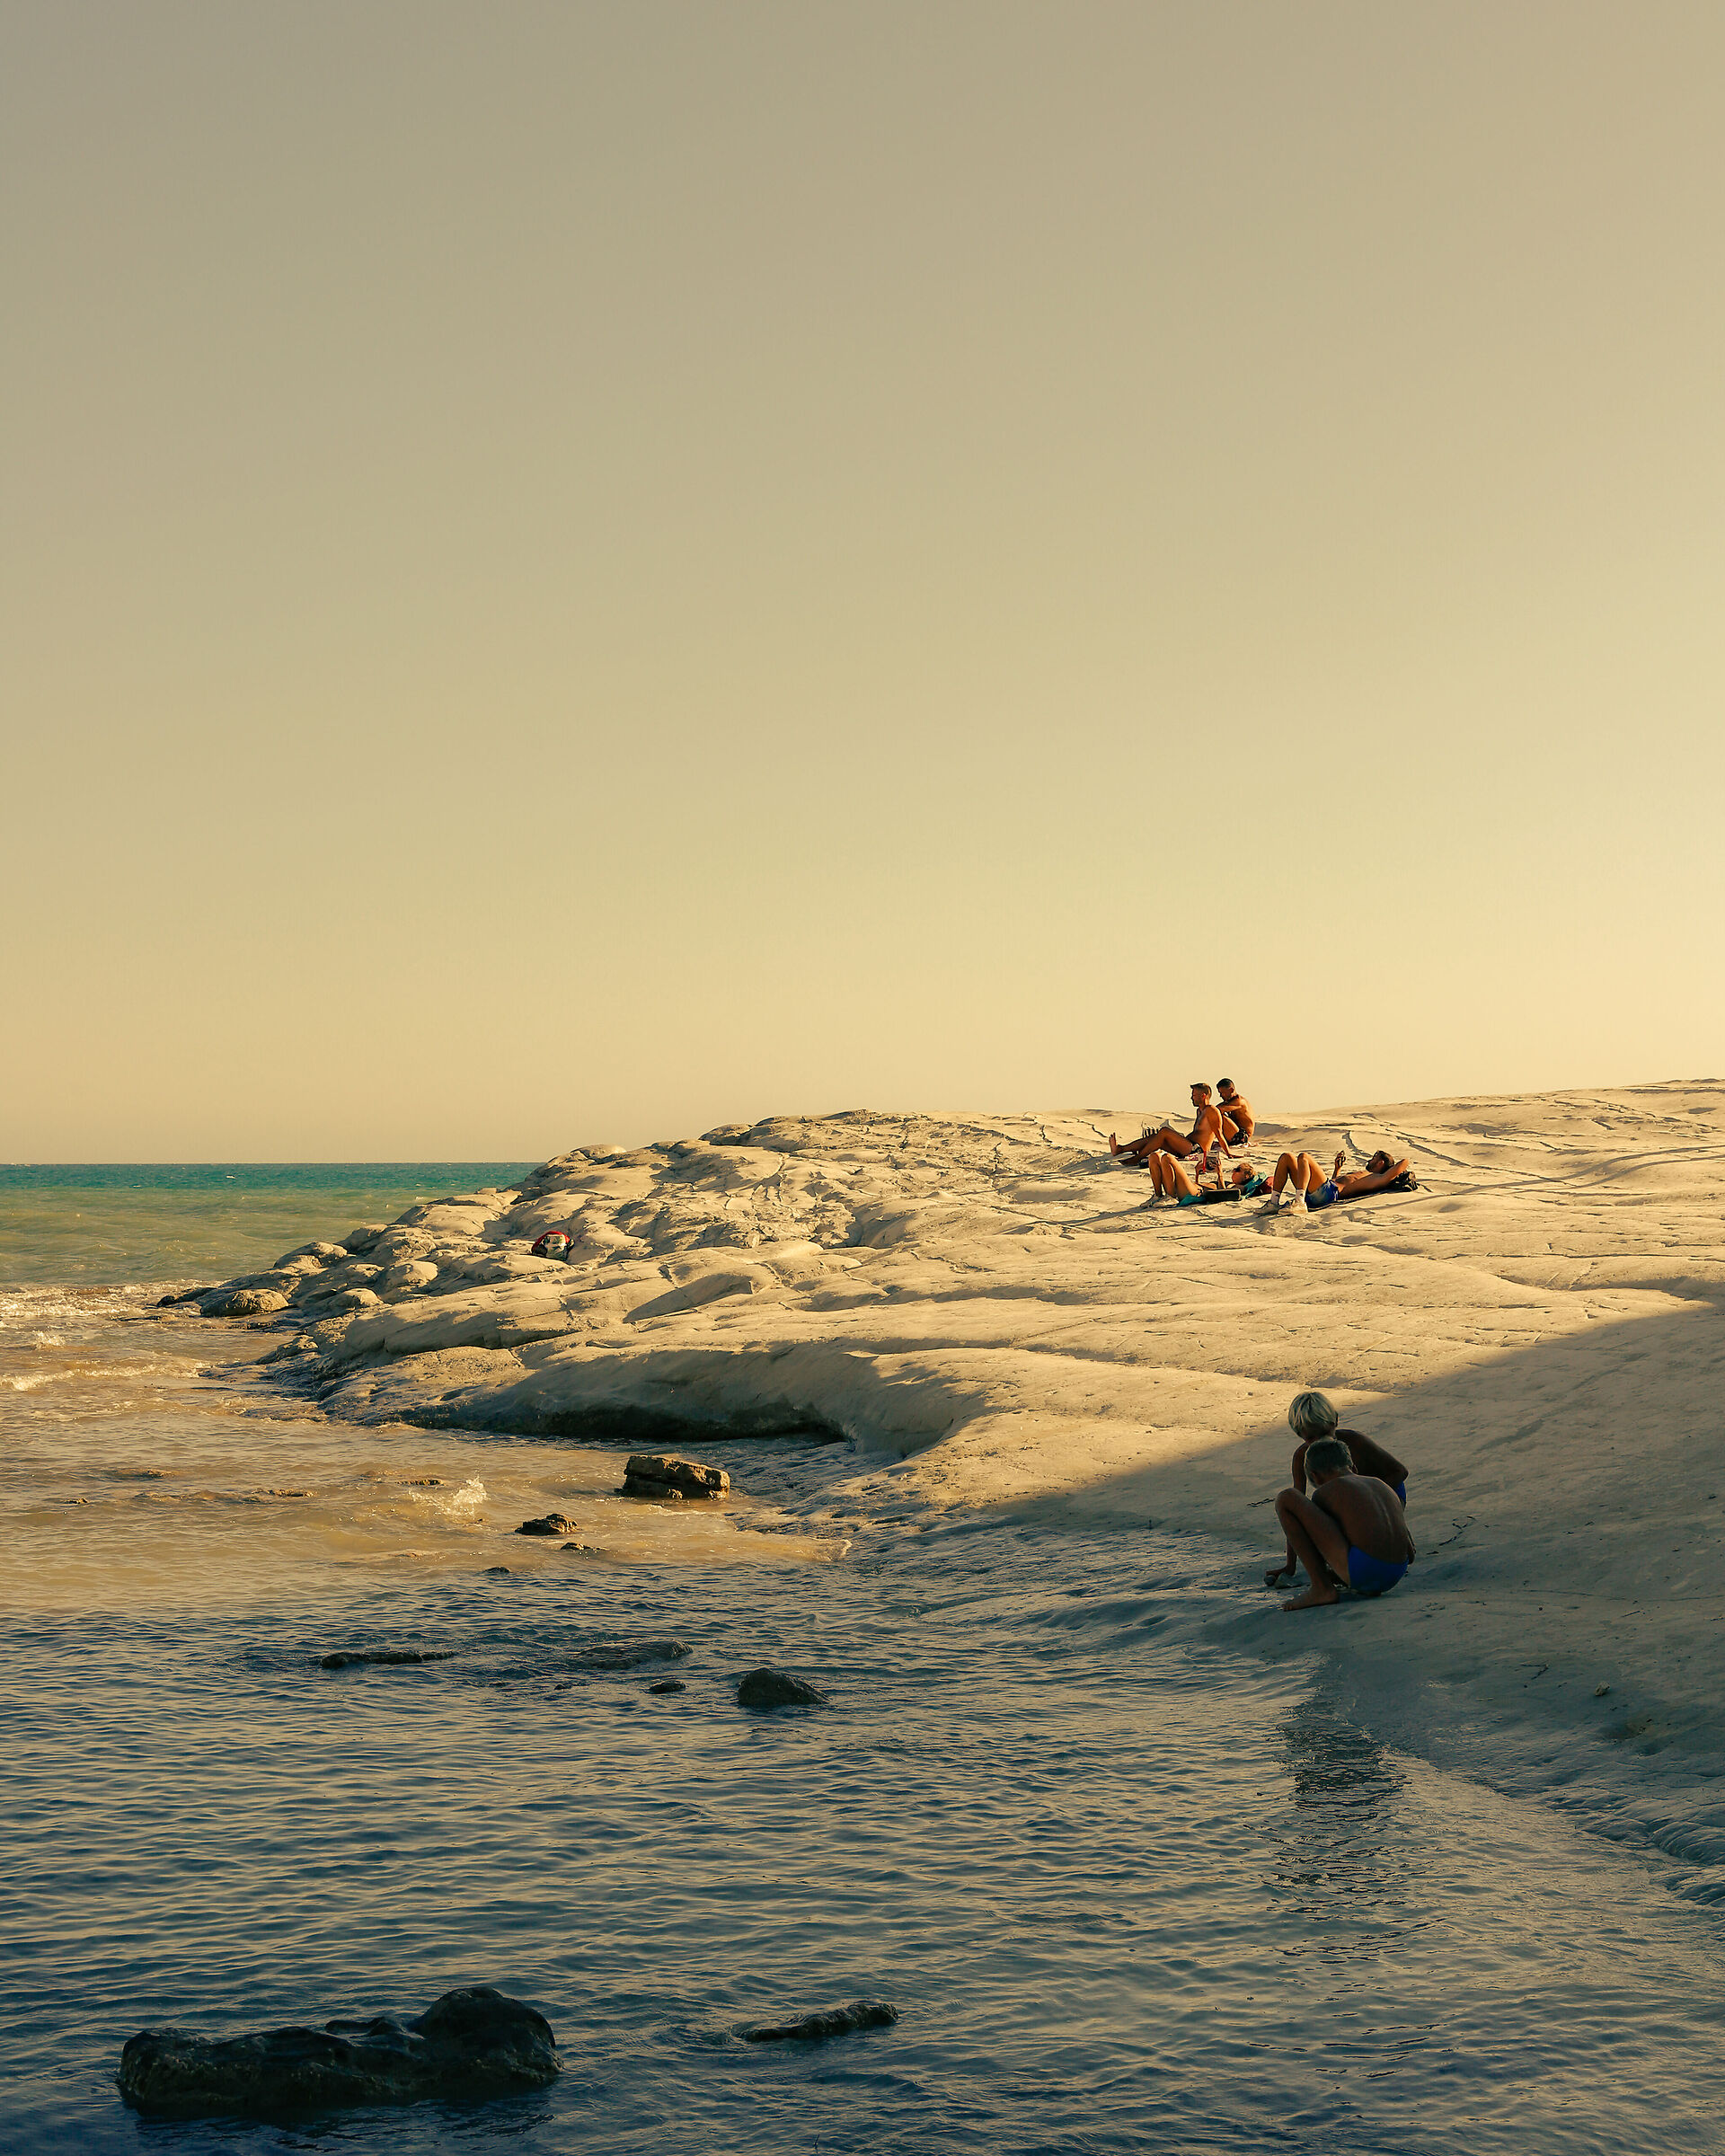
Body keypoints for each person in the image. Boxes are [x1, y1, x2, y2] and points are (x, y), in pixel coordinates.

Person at [1267, 1392, 1409, 1584]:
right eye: (1310, 1438)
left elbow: (1399, 1472)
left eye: (1324, 1433)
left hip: (1385, 1495)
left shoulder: (1355, 1442)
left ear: (1335, 1422)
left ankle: (1393, 1538)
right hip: (1350, 1505)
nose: (1320, 1442)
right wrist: (1290, 1565)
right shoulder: (1302, 1457)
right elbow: (1295, 1510)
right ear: (1299, 1435)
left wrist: (1383, 1508)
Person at [1269, 1435, 1416, 1612]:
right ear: (1353, 1467)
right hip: (1395, 1572)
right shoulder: (1380, 1484)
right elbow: (1410, 1551)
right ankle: (1355, 1579)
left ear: (1315, 1476)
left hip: (1365, 1571)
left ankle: (1321, 1589)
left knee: (1287, 1498)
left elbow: (1317, 1539)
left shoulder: (1325, 1492)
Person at [1112, 1083, 1232, 1167]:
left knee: (1164, 1131)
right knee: (1157, 1137)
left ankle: (1137, 1158)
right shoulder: (1200, 1111)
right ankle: (1121, 1149)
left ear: (1203, 1096)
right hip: (1187, 1146)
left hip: (1197, 1149)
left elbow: (1219, 1134)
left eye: (1194, 1095)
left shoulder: (1211, 1110)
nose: (1191, 1098)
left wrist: (1229, 1153)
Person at [1261, 1147, 1411, 1212]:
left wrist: (1405, 1162)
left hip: (1328, 1193)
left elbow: (1404, 1162)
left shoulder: (1378, 1178)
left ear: (1381, 1163)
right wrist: (1337, 1169)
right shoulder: (1365, 1173)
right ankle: (1274, 1202)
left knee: (1304, 1157)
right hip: (1323, 1191)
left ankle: (1299, 1202)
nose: (1369, 1161)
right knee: (1287, 1157)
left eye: (1373, 1159)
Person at [1144, 1152, 1263, 1206]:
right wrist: (1197, 1174)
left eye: (1238, 1170)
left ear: (1246, 1176)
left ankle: (1170, 1197)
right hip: (1192, 1188)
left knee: (1167, 1158)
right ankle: (1158, 1196)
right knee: (1154, 1156)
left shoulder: (1239, 1187)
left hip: (1195, 1193)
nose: (1233, 1171)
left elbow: (1223, 1194)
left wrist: (1220, 1175)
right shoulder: (1230, 1182)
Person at [1216, 1080, 1254, 1146]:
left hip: (1242, 1137)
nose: (1221, 1096)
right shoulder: (1230, 1101)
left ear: (1231, 1090)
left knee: (1217, 1115)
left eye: (1223, 1093)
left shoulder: (1239, 1101)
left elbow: (1218, 1109)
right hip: (1235, 1133)